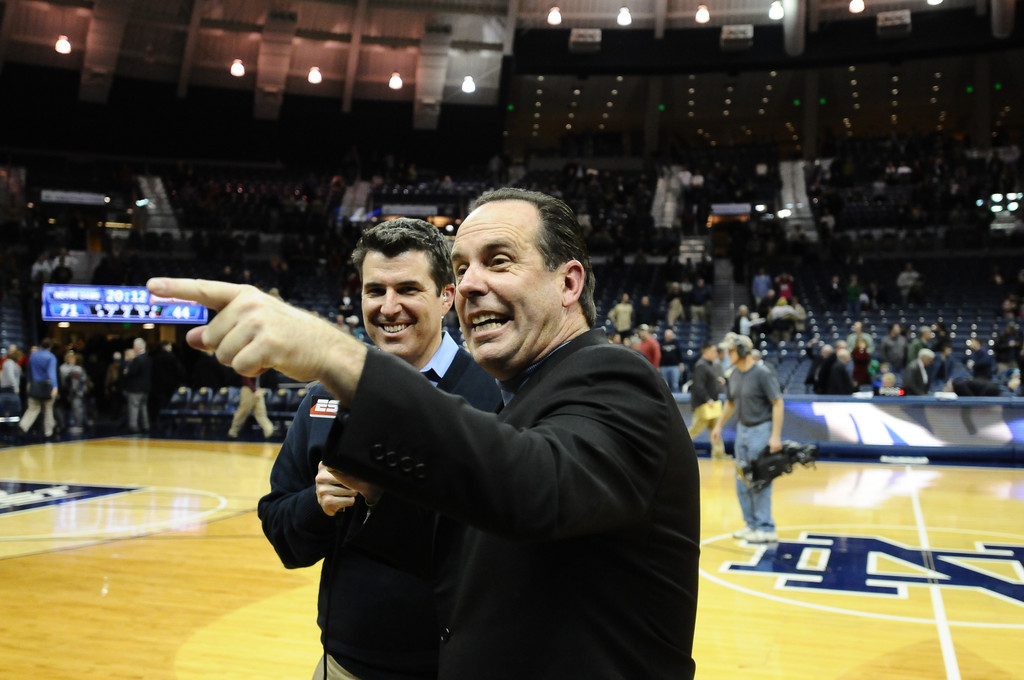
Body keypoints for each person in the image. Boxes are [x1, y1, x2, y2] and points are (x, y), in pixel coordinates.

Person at [151, 187, 700, 679]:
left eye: (499, 261)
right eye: (462, 268)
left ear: (569, 283)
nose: (472, 284)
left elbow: (533, 487)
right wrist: (347, 502)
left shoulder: (615, 376)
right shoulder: (523, 394)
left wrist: (333, 354)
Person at [260, 218, 502, 680]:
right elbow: (281, 531)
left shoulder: (494, 393)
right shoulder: (323, 398)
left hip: (462, 666)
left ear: (447, 296)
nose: (389, 307)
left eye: (408, 289)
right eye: (375, 291)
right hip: (346, 664)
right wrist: (319, 505)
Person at [712, 332, 783, 544]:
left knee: (760, 480)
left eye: (731, 350)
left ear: (742, 351)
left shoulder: (762, 373)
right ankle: (751, 525)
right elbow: (731, 403)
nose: (727, 354)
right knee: (742, 481)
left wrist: (775, 437)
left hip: (761, 431)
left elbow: (777, 403)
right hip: (742, 431)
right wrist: (718, 425)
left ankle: (766, 527)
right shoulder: (733, 374)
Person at [688, 341, 726, 459]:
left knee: (716, 428)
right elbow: (698, 385)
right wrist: (707, 399)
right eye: (713, 351)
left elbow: (707, 380)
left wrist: (717, 380)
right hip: (703, 405)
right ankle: (675, 447)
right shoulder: (701, 365)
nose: (716, 353)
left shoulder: (709, 364)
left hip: (712, 404)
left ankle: (719, 454)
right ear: (706, 351)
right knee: (695, 430)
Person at [19, 339, 59, 439]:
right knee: (48, 409)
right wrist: (55, 386)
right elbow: (51, 373)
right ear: (50, 346)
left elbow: (29, 371)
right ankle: (48, 432)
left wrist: (29, 383)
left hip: (35, 385)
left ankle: (22, 427)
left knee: (32, 408)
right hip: (47, 386)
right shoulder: (51, 357)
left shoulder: (33, 355)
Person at [227, 374, 275, 439]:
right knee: (243, 412)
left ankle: (269, 431)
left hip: (257, 389)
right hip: (248, 390)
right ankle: (233, 432)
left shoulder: (260, 366)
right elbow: (246, 379)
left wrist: (256, 390)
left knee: (261, 412)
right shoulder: (248, 365)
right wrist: (254, 390)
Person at [121, 338, 152, 434]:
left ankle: (133, 427)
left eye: (134, 346)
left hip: (135, 388)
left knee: (134, 407)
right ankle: (146, 426)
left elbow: (133, 372)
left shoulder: (138, 359)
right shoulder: (148, 358)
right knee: (143, 407)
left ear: (138, 347)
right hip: (145, 388)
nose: (133, 348)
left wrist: (127, 371)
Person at [659, 327, 684, 393]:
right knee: (664, 384)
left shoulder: (676, 342)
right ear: (665, 335)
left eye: (670, 335)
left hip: (674, 366)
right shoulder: (661, 342)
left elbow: (679, 354)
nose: (669, 337)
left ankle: (676, 399)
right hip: (664, 366)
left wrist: (681, 364)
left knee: (675, 384)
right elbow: (658, 355)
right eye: (667, 335)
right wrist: (658, 366)